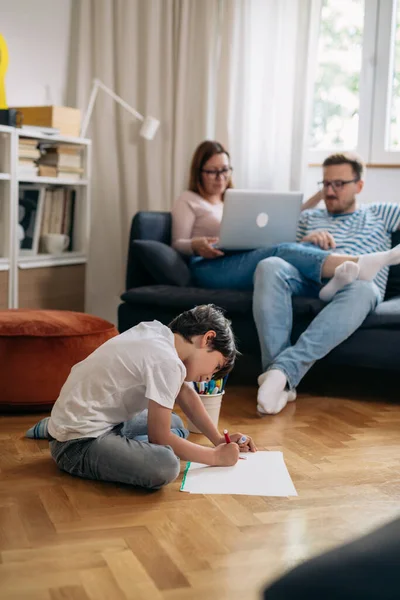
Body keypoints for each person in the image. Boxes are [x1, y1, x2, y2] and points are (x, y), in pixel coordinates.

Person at [28, 305, 256, 490]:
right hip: (77, 445)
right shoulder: (167, 361)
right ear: (207, 338)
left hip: (87, 418)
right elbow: (159, 436)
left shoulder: (156, 333)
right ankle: (62, 435)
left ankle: (55, 426)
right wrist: (215, 457)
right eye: (216, 367)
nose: (208, 379)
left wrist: (217, 439)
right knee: (165, 465)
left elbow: (185, 393)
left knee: (177, 425)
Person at [254, 152, 400, 416]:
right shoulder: (310, 218)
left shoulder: (382, 213)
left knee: (363, 287)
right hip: (310, 279)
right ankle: (280, 377)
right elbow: (275, 244)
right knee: (269, 265)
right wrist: (306, 242)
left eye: (339, 184)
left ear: (359, 185)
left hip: (357, 287)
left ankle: (279, 375)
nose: (330, 192)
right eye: (325, 184)